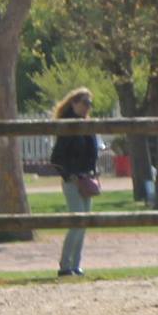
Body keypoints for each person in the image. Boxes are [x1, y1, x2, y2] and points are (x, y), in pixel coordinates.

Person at [49, 86, 100, 276]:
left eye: (90, 103)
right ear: (74, 103)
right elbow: (56, 158)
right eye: (85, 103)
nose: (88, 107)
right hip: (72, 180)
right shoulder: (67, 126)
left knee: (83, 222)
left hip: (87, 178)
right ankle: (65, 265)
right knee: (76, 221)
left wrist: (93, 172)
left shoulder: (88, 125)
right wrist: (70, 175)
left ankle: (76, 264)